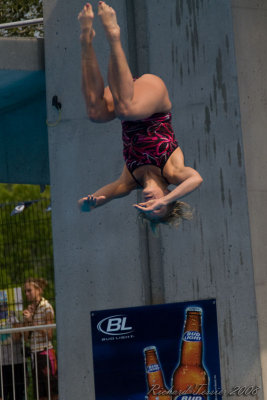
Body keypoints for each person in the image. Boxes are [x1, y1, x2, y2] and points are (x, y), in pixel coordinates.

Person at [78, 2, 203, 229]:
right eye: (158, 206)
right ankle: (113, 34)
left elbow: (91, 202)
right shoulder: (173, 173)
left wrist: (90, 203)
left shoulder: (129, 182)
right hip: (154, 99)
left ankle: (86, 39)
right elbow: (197, 179)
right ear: (168, 195)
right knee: (126, 111)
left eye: (148, 209)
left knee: (95, 114)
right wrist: (166, 200)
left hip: (123, 93)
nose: (151, 203)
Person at [23, 278, 58, 400]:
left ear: (38, 290)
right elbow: (27, 337)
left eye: (29, 291)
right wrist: (28, 321)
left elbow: (49, 335)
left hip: (45, 353)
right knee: (40, 394)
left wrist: (32, 321)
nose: (26, 294)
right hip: (34, 355)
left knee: (52, 392)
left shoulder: (46, 307)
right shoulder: (31, 308)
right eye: (25, 291)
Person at [0, 309, 24, 400]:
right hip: (1, 364)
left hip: (16, 362)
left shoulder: (15, 314)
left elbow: (17, 337)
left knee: (17, 394)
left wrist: (13, 321)